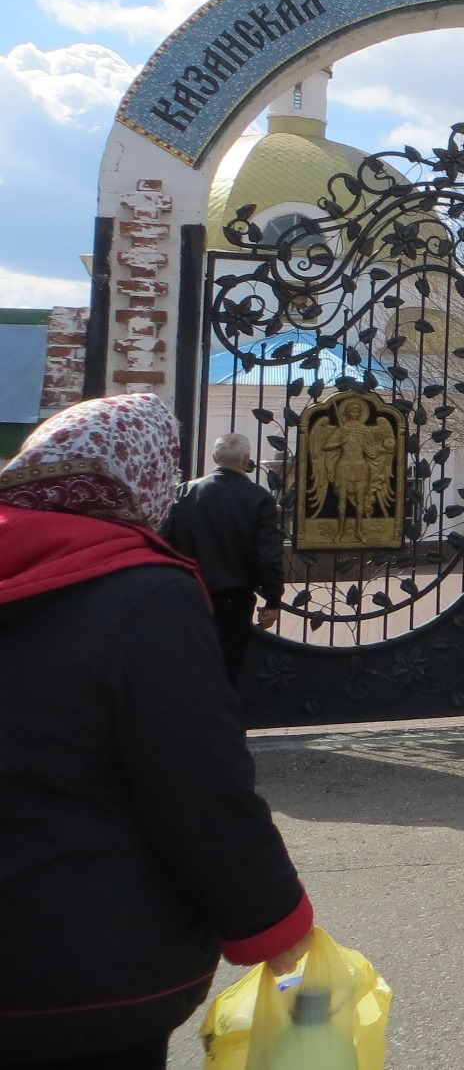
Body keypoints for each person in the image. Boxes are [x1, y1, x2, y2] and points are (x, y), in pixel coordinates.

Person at [0, 395, 315, 1068]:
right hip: (79, 971)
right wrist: (275, 924)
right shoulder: (140, 595)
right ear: (144, 475)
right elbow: (197, 783)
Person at [161, 431, 285, 683]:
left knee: (188, 668)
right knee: (226, 670)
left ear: (215, 457)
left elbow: (164, 541)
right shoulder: (259, 498)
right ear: (246, 459)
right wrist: (273, 600)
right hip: (234, 599)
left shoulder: (185, 491)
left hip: (190, 593)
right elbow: (267, 555)